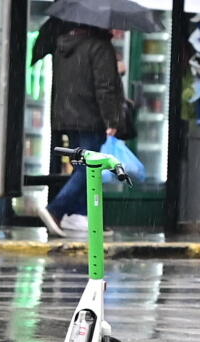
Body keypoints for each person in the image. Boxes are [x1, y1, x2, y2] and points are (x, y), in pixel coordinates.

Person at [36, 22, 124, 237]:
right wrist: (112, 120)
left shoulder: (65, 44)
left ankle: (81, 215)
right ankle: (55, 209)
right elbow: (105, 87)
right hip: (90, 117)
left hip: (67, 116)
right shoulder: (99, 47)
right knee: (89, 167)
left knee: (82, 165)